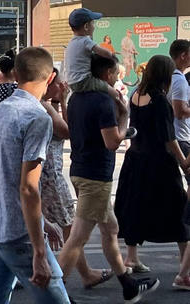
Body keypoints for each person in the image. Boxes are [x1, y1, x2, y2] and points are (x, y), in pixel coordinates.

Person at [57, 54, 159, 303]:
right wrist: (124, 118)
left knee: (110, 229)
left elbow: (71, 128)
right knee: (78, 237)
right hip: (96, 176)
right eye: (115, 73)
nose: (117, 77)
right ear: (106, 74)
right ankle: (53, 292)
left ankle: (128, 285)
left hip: (80, 170)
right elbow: (112, 142)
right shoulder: (103, 100)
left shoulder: (77, 97)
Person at [0, 47, 68, 303]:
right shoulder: (37, 117)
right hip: (20, 235)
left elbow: (0, 175)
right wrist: (39, 251)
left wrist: (42, 222)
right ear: (51, 77)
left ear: (16, 75)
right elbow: (28, 187)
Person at [115, 55, 189, 274]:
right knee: (178, 207)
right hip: (159, 162)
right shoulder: (159, 101)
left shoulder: (136, 94)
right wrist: (183, 162)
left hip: (136, 158)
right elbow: (169, 138)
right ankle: (185, 264)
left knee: (135, 206)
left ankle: (131, 257)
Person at [41, 68, 109, 289]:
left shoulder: (41, 105)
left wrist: (58, 101)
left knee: (54, 227)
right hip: (51, 175)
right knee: (71, 229)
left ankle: (82, 272)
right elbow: (69, 131)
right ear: (49, 83)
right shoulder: (45, 107)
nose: (63, 86)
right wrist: (62, 101)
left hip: (46, 174)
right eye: (59, 83)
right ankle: (78, 275)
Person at [64, 8, 122, 103]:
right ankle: (121, 106)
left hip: (72, 82)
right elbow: (104, 53)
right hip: (84, 80)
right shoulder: (85, 40)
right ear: (86, 26)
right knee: (114, 93)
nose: (94, 26)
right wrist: (111, 55)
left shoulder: (71, 43)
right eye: (93, 23)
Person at [167, 39, 190, 227]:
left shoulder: (169, 78)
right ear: (183, 55)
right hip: (181, 137)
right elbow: (180, 111)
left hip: (174, 135)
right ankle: (185, 221)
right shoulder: (179, 80)